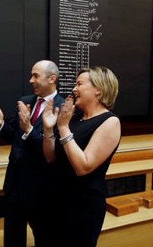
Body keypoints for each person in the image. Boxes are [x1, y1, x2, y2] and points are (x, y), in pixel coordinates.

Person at [0, 60, 64, 246]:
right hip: (14, 185)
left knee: (45, 238)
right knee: (12, 238)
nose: (30, 80)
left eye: (36, 76)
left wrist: (28, 129)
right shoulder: (25, 101)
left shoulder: (63, 108)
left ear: (52, 79)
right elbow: (15, 139)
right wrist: (1, 124)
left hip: (42, 190)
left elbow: (52, 152)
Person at [42, 66, 121, 247]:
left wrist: (63, 128)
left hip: (82, 208)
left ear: (98, 89)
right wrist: (48, 129)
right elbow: (50, 157)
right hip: (57, 201)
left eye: (79, 84)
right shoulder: (75, 117)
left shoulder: (110, 121)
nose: (74, 89)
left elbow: (83, 167)